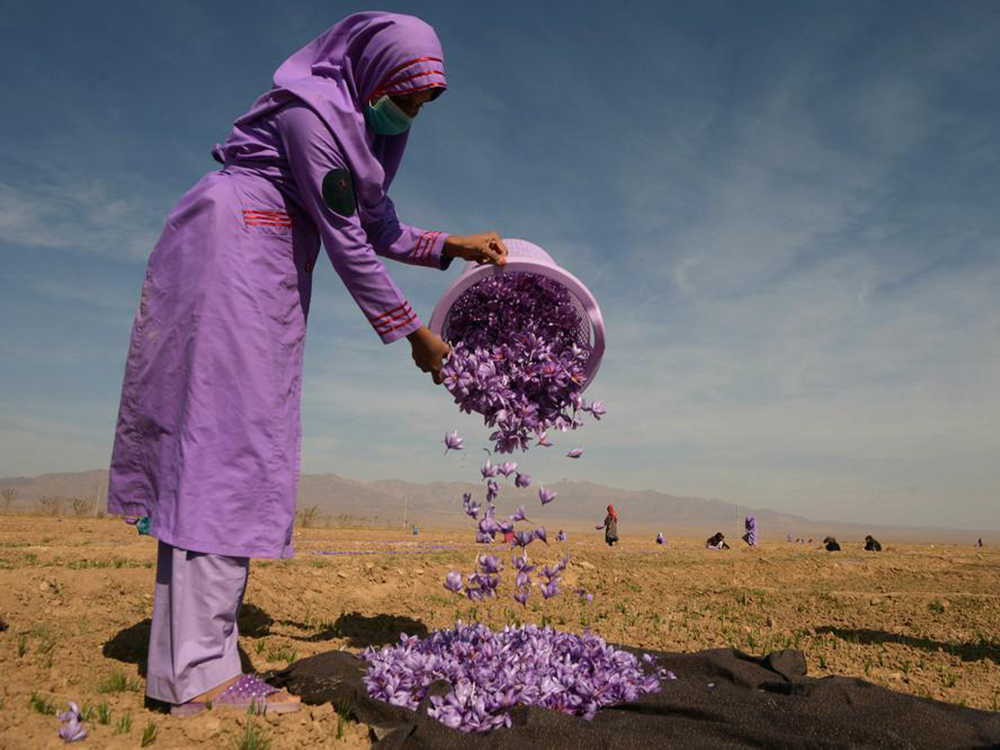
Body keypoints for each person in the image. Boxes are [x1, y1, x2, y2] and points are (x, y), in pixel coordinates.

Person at [106, 13, 507, 717]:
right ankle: (201, 675)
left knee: (231, 445)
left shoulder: (362, 127)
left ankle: (193, 662)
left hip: (264, 257)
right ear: (373, 69)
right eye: (404, 96)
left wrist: (453, 245)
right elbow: (349, 241)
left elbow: (376, 224)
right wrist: (413, 332)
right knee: (225, 446)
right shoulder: (310, 115)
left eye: (420, 104)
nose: (408, 112)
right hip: (237, 252)